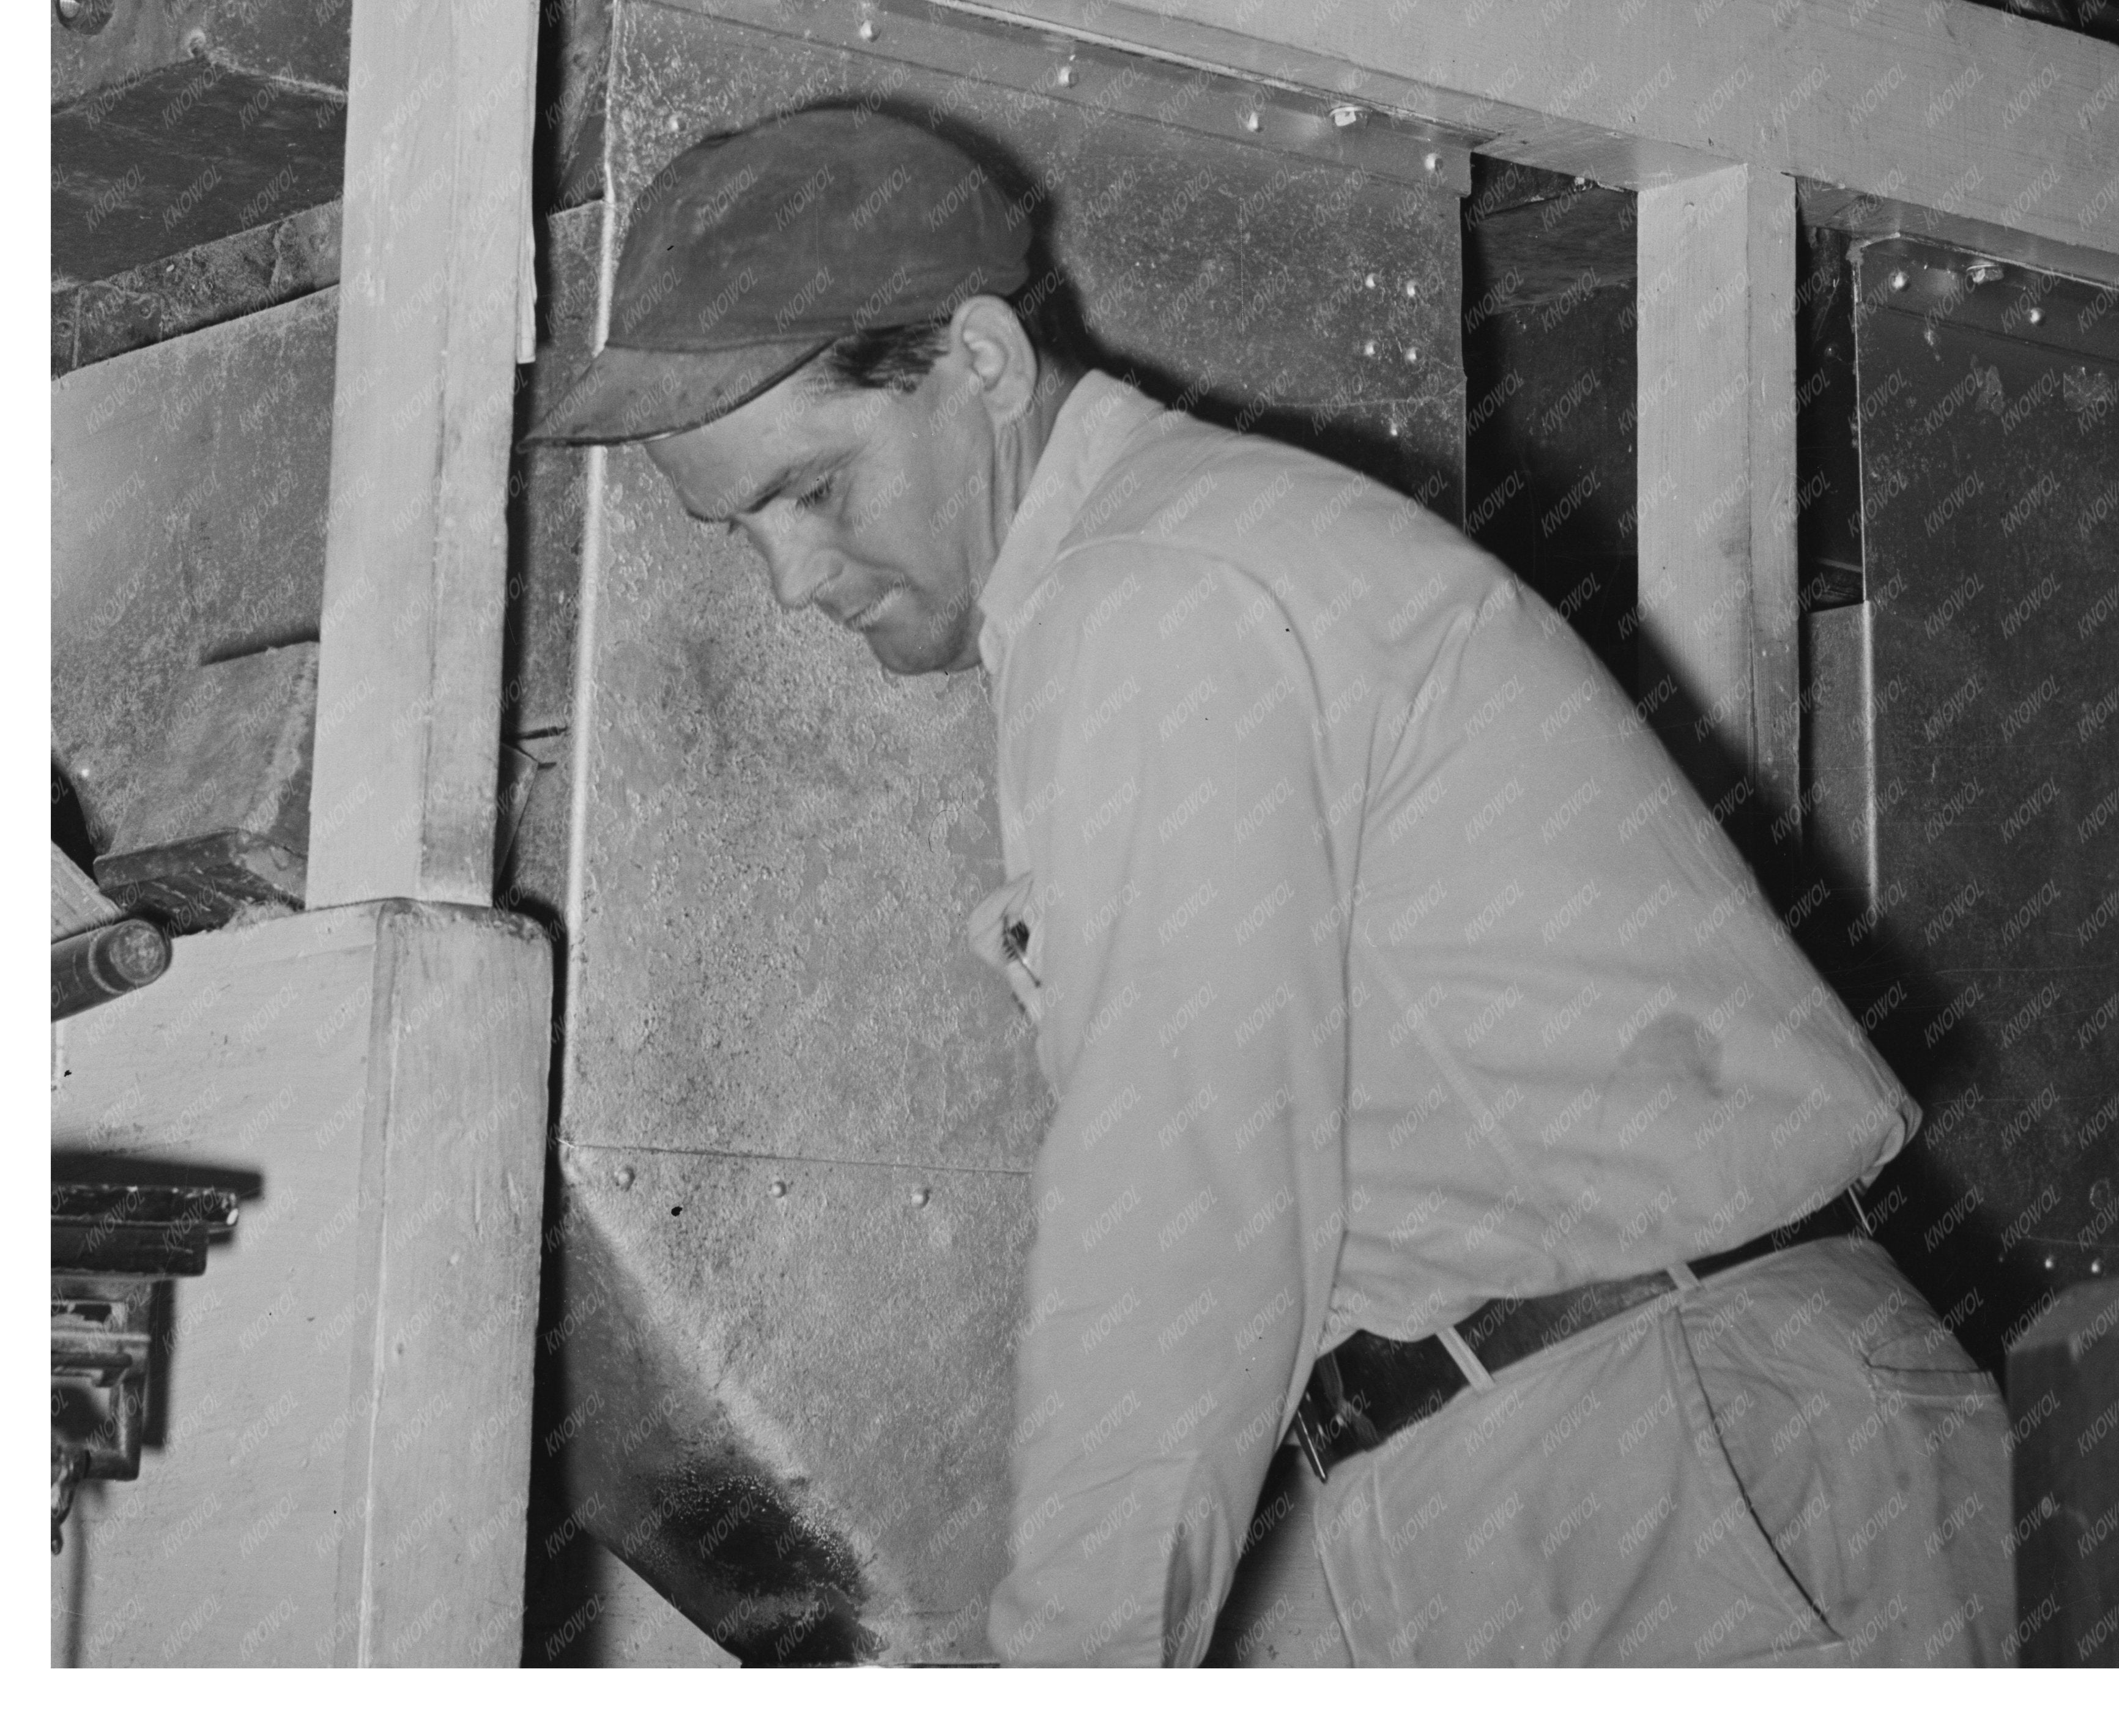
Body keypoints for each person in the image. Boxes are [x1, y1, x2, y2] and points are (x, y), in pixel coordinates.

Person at [536, 103, 2013, 1667]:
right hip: (1556, 1453)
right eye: (736, 527)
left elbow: (1180, 1208)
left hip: (1666, 1461)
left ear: (979, 362)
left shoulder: (1158, 593)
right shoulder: (1154, 581)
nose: (789, 579)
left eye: (814, 490)